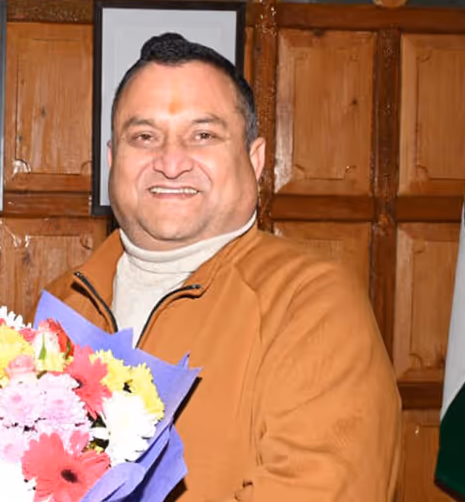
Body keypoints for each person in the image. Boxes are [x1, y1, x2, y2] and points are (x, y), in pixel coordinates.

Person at [44, 33, 401, 501]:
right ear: (113, 159)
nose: (171, 163)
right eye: (145, 136)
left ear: (254, 160)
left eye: (203, 135)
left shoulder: (310, 302)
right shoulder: (65, 302)